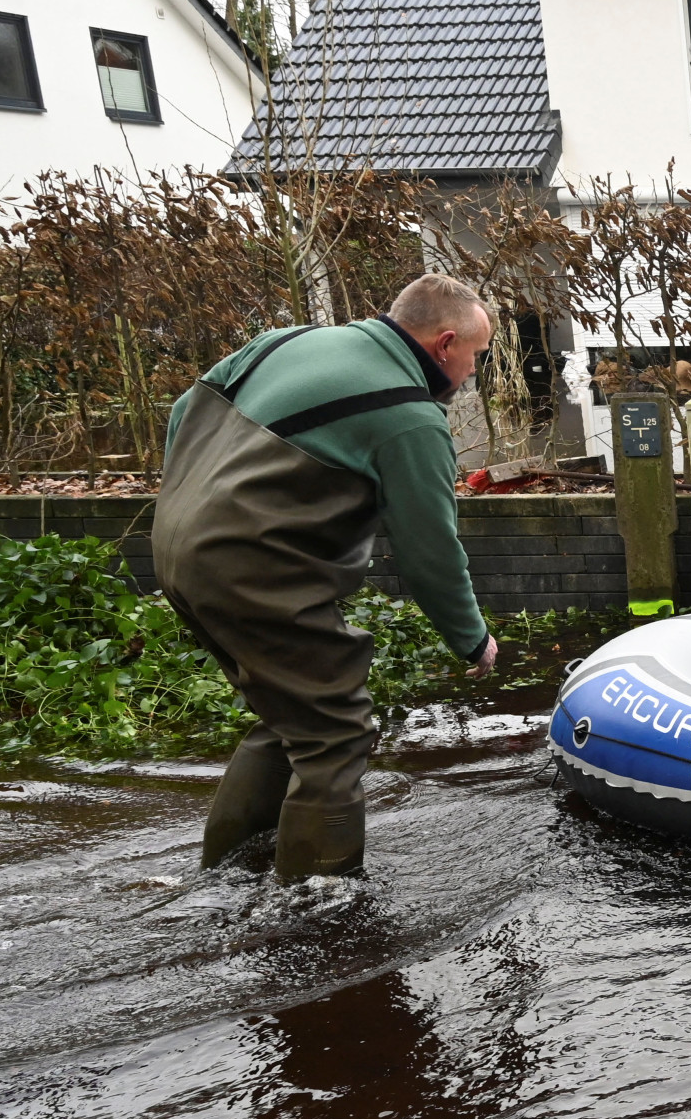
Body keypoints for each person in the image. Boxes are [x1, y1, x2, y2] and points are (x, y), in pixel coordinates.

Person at [152, 273, 500, 881]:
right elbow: (430, 551)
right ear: (445, 344)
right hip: (254, 571)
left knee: (290, 719)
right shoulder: (408, 416)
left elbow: (186, 410)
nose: (473, 371)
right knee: (335, 738)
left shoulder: (289, 341)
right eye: (476, 356)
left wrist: (191, 501)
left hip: (177, 549)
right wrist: (471, 637)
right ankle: (319, 911)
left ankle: (232, 878)